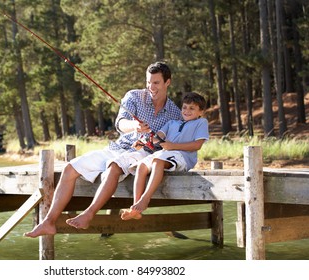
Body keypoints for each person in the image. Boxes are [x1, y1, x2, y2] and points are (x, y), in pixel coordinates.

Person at [24, 61, 181, 237]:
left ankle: (88, 214)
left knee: (113, 167)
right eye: (148, 82)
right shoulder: (134, 97)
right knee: (70, 168)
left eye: (156, 83)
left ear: (168, 82)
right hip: (118, 147)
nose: (151, 87)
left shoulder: (175, 113)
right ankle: (49, 222)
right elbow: (120, 123)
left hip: (142, 154)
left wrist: (154, 140)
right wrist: (135, 126)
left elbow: (170, 144)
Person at [121, 92, 209, 221]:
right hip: (164, 154)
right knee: (141, 166)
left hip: (182, 156)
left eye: (192, 108)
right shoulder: (172, 123)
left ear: (200, 112)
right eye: (185, 107)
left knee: (157, 162)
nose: (187, 111)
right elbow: (157, 138)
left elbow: (197, 145)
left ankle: (145, 200)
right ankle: (135, 206)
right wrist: (144, 142)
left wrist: (173, 146)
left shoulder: (201, 122)